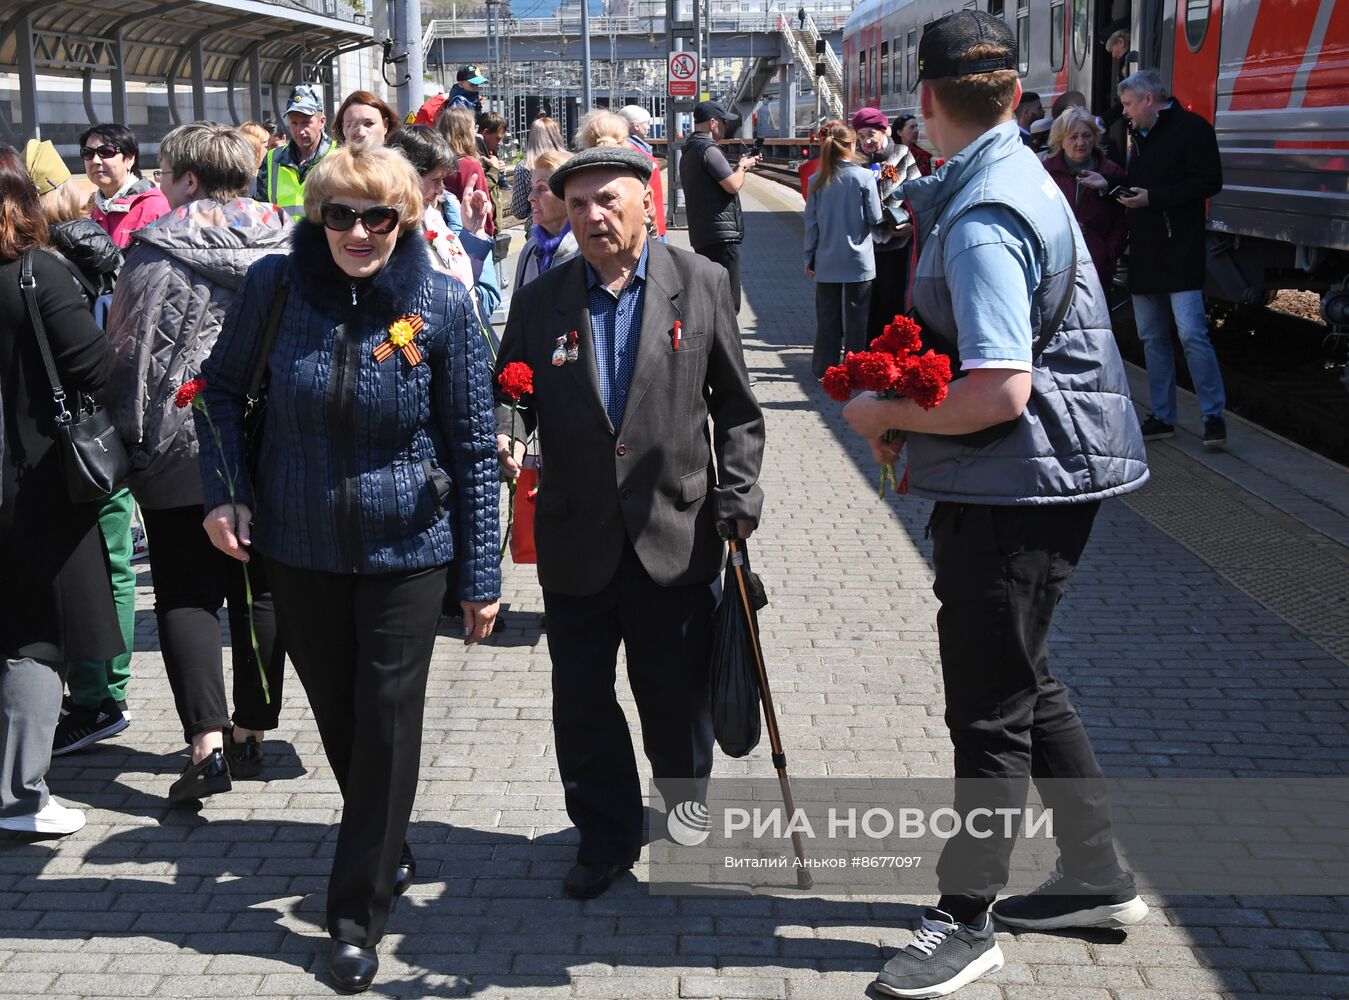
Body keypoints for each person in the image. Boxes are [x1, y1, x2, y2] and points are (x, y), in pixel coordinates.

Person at [840, 12, 1149, 997]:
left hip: (1018, 482)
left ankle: (963, 919)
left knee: (987, 709)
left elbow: (998, 387)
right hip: (1038, 476)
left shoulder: (981, 218)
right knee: (1024, 678)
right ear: (1016, 97)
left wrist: (874, 409)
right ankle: (1094, 872)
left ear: (923, 100)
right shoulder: (1010, 181)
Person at [197, 145, 501, 991]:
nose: (358, 232)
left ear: (404, 221)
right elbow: (219, 393)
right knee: (341, 717)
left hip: (409, 552)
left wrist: (480, 574)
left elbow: (476, 449)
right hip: (298, 544)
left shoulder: (438, 305)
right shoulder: (275, 288)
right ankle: (387, 832)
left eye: (377, 217)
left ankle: (353, 914)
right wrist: (225, 493)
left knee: (389, 716)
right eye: (339, 214)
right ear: (315, 216)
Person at [494, 145, 764, 901]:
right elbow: (512, 388)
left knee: (672, 697)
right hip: (576, 533)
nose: (591, 217)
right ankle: (605, 836)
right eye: (575, 204)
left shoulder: (700, 283)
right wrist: (508, 430)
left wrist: (737, 495)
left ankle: (683, 805)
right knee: (581, 703)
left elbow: (737, 407)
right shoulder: (543, 296)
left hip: (674, 532)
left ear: (650, 203)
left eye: (608, 200)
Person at [104, 122, 290, 803]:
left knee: (186, 591)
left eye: (163, 174)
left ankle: (204, 744)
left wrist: (134, 442)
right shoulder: (292, 239)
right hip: (274, 438)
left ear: (186, 178)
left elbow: (130, 353)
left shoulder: (154, 250)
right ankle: (252, 732)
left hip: (183, 440)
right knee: (260, 588)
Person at [0, 143, 120, 836]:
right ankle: (19, 797)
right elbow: (94, 367)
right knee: (35, 637)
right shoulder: (35, 273)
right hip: (33, 480)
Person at [23, 140, 136, 757]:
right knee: (104, 560)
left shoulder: (60, 254)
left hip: (83, 438)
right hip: (93, 433)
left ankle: (99, 698)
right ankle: (96, 692)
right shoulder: (81, 243)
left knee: (107, 562)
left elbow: (95, 356)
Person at [1117, 68, 1226, 448]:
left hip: (1180, 249)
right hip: (1146, 249)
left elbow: (1209, 182)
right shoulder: (1137, 136)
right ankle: (1162, 415)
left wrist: (1153, 198)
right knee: (1152, 336)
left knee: (1193, 334)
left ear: (1149, 99)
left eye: (1129, 104)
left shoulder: (1193, 129)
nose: (1125, 112)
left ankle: (1213, 416)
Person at [386, 125, 501, 326]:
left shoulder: (431, 217)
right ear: (408, 177)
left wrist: (473, 231)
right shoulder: (388, 230)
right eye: (435, 180)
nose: (441, 190)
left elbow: (465, 280)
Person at [804, 122, 882, 379]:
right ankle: (855, 371)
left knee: (827, 319)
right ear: (851, 146)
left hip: (826, 261)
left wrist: (809, 257)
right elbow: (875, 217)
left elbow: (811, 224)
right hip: (859, 262)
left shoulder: (817, 180)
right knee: (857, 321)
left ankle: (823, 368)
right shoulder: (864, 177)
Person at [679, 100, 761, 313]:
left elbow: (715, 184)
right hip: (720, 237)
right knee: (728, 300)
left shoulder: (689, 150)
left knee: (712, 295)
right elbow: (732, 185)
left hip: (703, 233)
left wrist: (737, 167)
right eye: (724, 122)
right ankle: (727, 344)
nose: (726, 127)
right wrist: (743, 167)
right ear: (713, 123)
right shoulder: (708, 148)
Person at [1042, 107, 1127, 293]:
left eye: (1087, 135)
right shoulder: (1044, 174)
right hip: (1054, 269)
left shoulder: (1112, 173)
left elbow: (1123, 221)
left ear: (1095, 138)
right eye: (1073, 137)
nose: (1081, 142)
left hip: (1096, 269)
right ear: (1060, 141)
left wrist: (1107, 253)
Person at [853, 106, 919, 343]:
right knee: (866, 301)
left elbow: (918, 194)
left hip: (896, 243)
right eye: (861, 136)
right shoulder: (856, 159)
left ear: (885, 131)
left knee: (891, 299)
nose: (866, 141)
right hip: (865, 244)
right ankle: (868, 352)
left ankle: (890, 352)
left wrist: (910, 223)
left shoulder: (901, 154)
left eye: (871, 134)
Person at [80, 123, 169, 249]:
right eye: (88, 153)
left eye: (106, 152)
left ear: (130, 159)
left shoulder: (156, 209)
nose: (95, 161)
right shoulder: (90, 211)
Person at [254, 84, 335, 218]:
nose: (300, 130)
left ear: (322, 122)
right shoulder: (272, 158)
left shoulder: (339, 156)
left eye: (306, 122)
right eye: (294, 123)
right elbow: (261, 210)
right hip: (282, 239)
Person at [513, 149, 579, 292]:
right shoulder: (530, 250)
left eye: (542, 188)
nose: (530, 196)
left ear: (568, 195)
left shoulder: (584, 251)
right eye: (532, 187)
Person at [438, 105, 495, 237]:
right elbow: (484, 206)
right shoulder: (470, 165)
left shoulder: (438, 163)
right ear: (464, 132)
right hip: (471, 233)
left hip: (446, 233)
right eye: (473, 127)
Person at [618, 104, 668, 241]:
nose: (649, 127)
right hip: (648, 224)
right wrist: (653, 221)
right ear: (636, 126)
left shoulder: (636, 149)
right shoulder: (633, 152)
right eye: (646, 123)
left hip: (651, 220)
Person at [511, 115, 567, 223]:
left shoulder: (524, 167)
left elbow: (519, 211)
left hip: (537, 226)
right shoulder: (567, 163)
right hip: (566, 225)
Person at [476, 111, 514, 226]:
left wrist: (498, 167)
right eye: (497, 138)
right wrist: (494, 170)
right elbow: (481, 187)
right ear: (486, 133)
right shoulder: (476, 154)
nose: (499, 142)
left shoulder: (490, 150)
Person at [334, 90, 399, 149]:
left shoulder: (402, 161)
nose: (361, 133)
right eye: (351, 125)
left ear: (385, 126)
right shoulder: (332, 161)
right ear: (343, 131)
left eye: (369, 123)